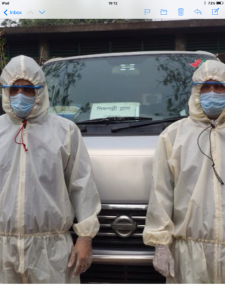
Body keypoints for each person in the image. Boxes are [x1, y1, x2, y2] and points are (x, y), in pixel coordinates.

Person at [0, 55, 101, 283]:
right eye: (13, 90)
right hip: (2, 249)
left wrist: (84, 238)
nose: (20, 96)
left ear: (40, 90)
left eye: (28, 89)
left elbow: (82, 185)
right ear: (5, 91)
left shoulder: (64, 131)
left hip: (51, 251)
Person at [143, 60, 225, 283]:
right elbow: (161, 192)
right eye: (205, 87)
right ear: (196, 92)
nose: (212, 93)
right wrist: (160, 241)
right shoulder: (174, 135)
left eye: (219, 87)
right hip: (189, 254)